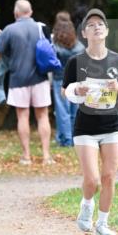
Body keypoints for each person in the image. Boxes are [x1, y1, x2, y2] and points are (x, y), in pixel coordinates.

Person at [62, 8, 118, 235]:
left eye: (100, 24)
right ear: (84, 33)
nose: (97, 27)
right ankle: (86, 205)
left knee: (109, 176)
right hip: (85, 127)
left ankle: (102, 224)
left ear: (107, 31)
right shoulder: (76, 61)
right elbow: (65, 91)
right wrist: (78, 90)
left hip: (113, 125)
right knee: (92, 179)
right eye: (91, 25)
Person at [0, 0, 53, 165]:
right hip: (40, 78)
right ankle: (46, 156)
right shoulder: (41, 28)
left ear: (16, 13)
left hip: (18, 78)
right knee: (43, 116)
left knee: (22, 116)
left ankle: (26, 156)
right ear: (31, 12)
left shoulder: (9, 30)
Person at [51, 12, 85, 146]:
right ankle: (75, 138)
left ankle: (66, 139)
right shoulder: (79, 46)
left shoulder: (54, 46)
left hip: (60, 80)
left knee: (62, 111)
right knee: (75, 110)